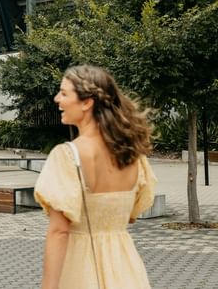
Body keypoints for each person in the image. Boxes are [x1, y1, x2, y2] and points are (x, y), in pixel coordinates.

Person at [34, 65, 157, 289]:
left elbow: (59, 230)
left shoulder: (67, 156)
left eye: (63, 93)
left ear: (86, 102)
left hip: (80, 270)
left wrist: (48, 286)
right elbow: (131, 215)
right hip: (125, 268)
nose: (56, 99)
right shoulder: (134, 156)